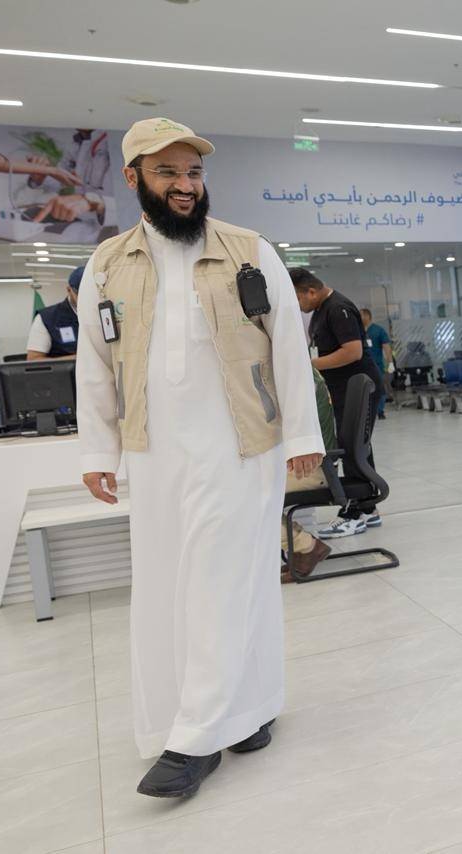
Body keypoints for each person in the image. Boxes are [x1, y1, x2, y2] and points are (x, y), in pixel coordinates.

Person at [75, 117, 323, 797]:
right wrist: (97, 449)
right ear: (134, 178)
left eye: (193, 172)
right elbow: (93, 362)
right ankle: (249, 707)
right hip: (152, 450)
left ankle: (196, 737)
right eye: (168, 173)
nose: (185, 185)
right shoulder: (106, 264)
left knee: (221, 578)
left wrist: (303, 438)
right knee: (166, 586)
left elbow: (289, 348)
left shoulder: (249, 250)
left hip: (240, 447)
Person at [290, 268, 384, 538]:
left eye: (298, 299)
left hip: (358, 388)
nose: (298, 305)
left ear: (311, 291)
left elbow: (353, 352)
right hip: (345, 389)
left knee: (353, 448)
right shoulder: (322, 309)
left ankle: (354, 514)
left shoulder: (337, 308)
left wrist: (310, 364)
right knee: (357, 447)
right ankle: (368, 508)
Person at [281, 368, 338, 582]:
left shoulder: (295, 378)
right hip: (317, 465)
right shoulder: (304, 371)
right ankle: (301, 546)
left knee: (244, 499)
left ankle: (307, 547)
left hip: (313, 469)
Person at [26, 265, 85, 359]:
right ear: (69, 290)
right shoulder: (47, 318)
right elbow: (34, 360)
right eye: (81, 294)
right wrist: (79, 359)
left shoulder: (103, 312)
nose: (87, 298)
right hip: (69, 369)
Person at [360, 308, 392, 420]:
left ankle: (380, 411)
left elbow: (386, 347)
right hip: (362, 367)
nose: (359, 318)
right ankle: (367, 412)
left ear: (367, 316)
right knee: (365, 390)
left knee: (379, 388)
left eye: (361, 315)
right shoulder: (358, 331)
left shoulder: (378, 330)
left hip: (377, 365)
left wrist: (390, 362)